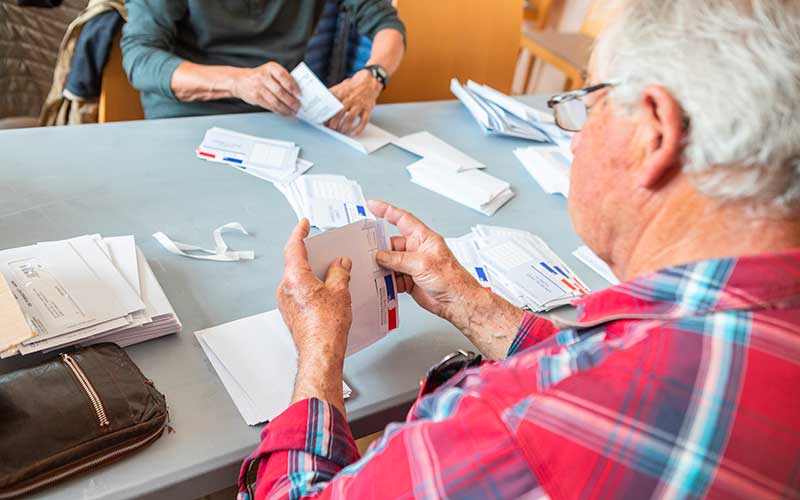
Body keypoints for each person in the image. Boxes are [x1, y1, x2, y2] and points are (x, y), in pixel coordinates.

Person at [238, 0, 800, 498]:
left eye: (587, 102)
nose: (574, 137)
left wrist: (317, 354)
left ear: (653, 132)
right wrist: (467, 301)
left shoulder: (517, 423)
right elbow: (621, 360)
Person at [121, 0, 404, 135]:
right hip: (188, 118)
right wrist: (236, 81)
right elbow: (140, 58)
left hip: (282, 116)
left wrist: (373, 78)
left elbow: (387, 25)